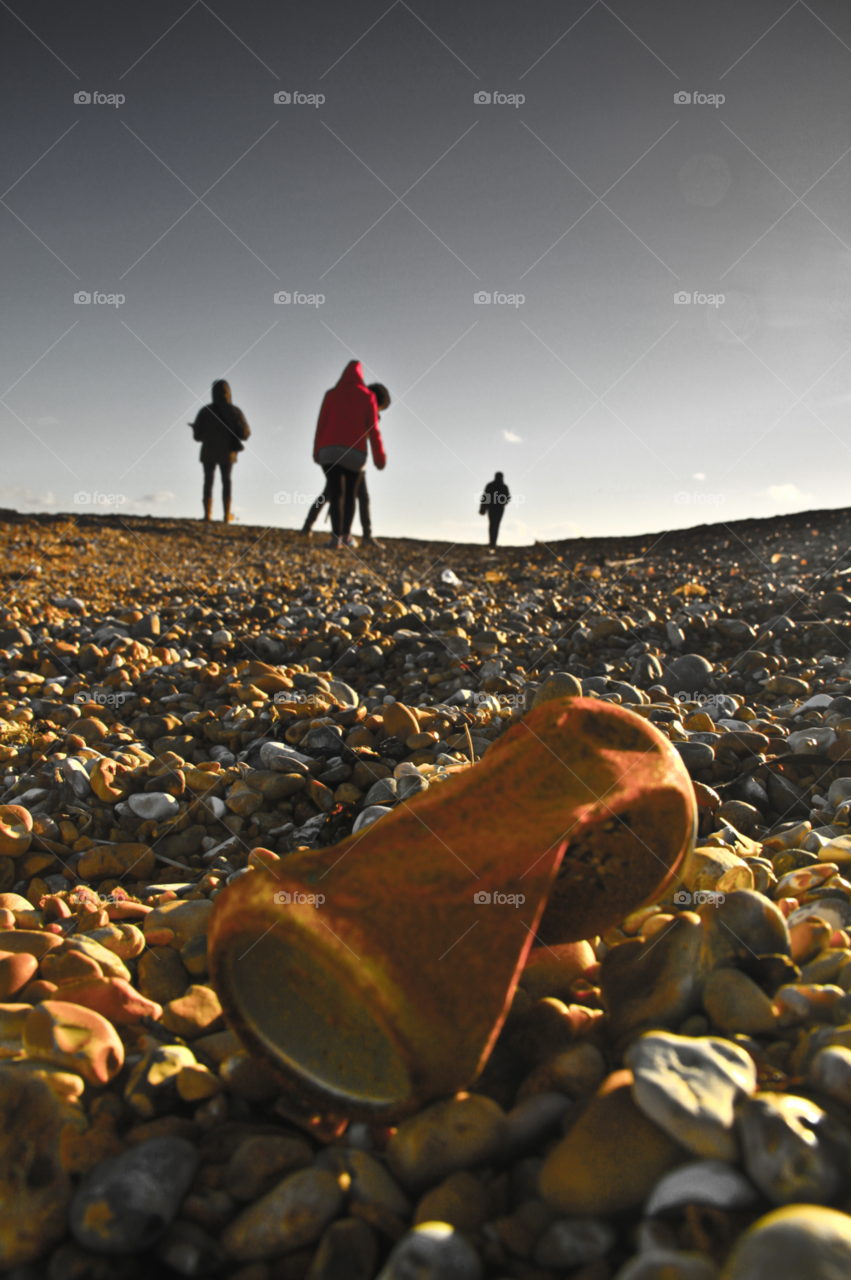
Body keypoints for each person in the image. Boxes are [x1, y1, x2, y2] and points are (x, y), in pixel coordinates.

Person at [301, 381, 390, 546]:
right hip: (353, 460)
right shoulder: (367, 410)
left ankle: (308, 527)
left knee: (331, 494)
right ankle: (363, 536)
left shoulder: (350, 404)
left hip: (340, 456)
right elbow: (371, 435)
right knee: (355, 496)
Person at [190, 380, 250, 522]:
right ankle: (226, 515)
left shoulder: (205, 411)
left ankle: (207, 515)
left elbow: (197, 437)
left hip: (208, 452)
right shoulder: (235, 411)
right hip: (228, 452)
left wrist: (198, 430)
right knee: (226, 480)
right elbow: (246, 433)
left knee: (208, 481)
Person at [479, 471, 510, 549]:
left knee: (492, 524)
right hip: (498, 508)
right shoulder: (503, 487)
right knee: (495, 524)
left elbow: (485, 497)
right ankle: (493, 542)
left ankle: (492, 542)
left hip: (493, 508)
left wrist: (482, 509)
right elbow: (507, 498)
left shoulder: (491, 485)